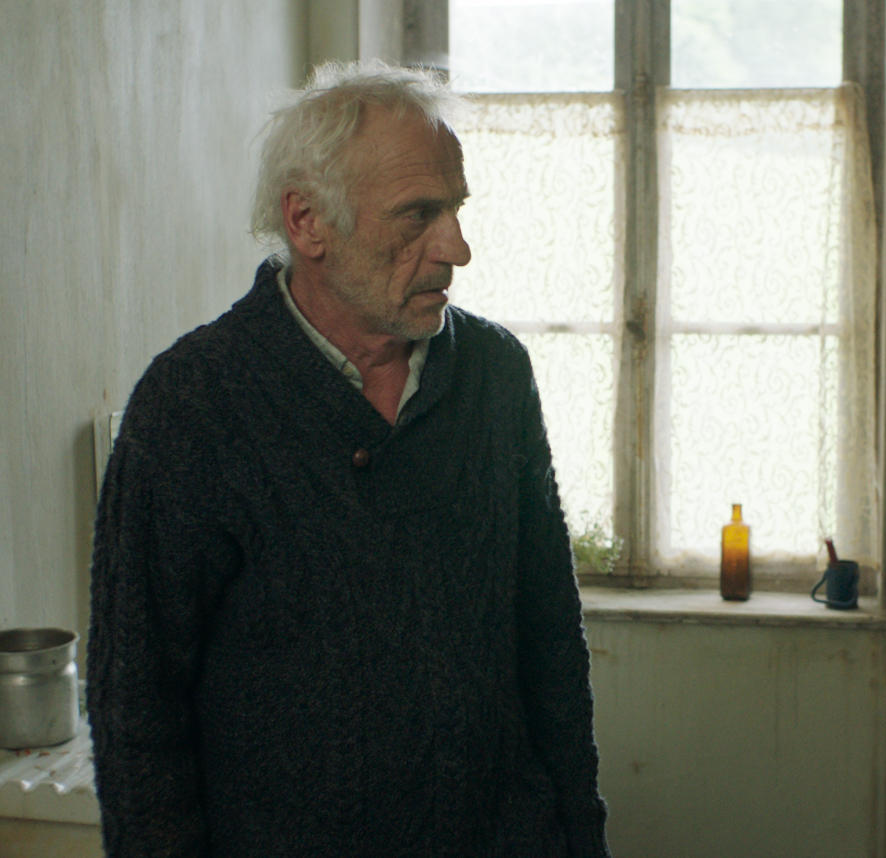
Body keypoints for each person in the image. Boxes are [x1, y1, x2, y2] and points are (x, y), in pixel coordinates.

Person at [88, 61, 610, 857]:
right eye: (418, 215)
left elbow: (550, 638)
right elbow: (137, 711)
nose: (458, 248)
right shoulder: (194, 404)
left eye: (456, 209)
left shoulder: (494, 373)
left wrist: (581, 837)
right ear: (308, 223)